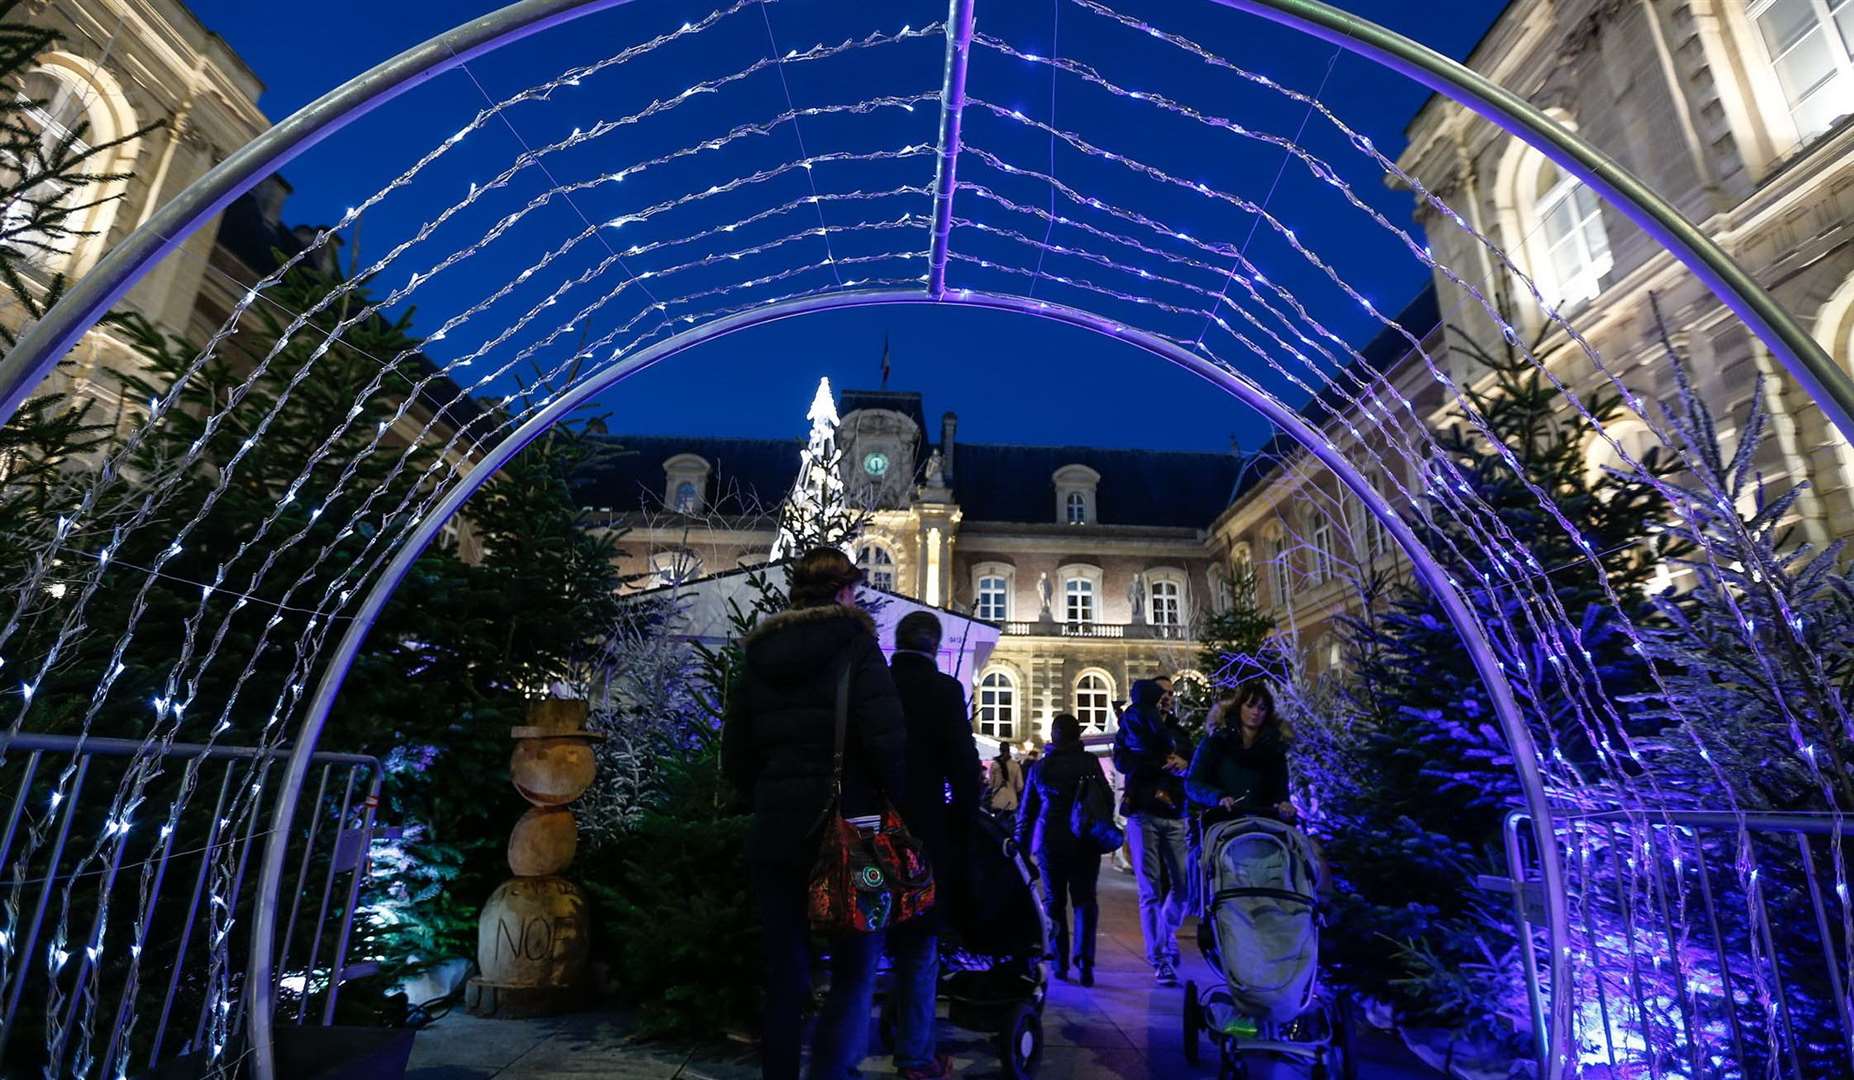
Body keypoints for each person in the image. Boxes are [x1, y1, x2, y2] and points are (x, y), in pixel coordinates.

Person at [721, 547, 908, 1080]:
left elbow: (736, 752)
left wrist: (764, 798)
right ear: (846, 591)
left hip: (776, 826)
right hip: (851, 825)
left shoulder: (760, 653)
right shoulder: (859, 646)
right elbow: (887, 741)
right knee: (856, 962)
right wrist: (892, 802)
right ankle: (831, 1071)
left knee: (783, 968)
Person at [886, 611, 981, 1080]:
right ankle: (916, 1057)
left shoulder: (875, 685)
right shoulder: (945, 691)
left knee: (864, 937)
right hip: (922, 834)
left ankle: (844, 1053)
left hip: (867, 832)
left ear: (896, 641)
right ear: (935, 647)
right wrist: (963, 822)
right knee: (920, 942)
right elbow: (964, 767)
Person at [1016, 713, 1109, 986]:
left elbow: (1027, 813)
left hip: (1052, 842)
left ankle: (1059, 961)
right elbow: (1105, 799)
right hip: (1084, 841)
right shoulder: (1090, 763)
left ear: (1054, 736)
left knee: (1054, 903)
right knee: (1085, 901)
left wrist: (1021, 850)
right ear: (1078, 735)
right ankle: (1086, 962)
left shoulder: (1042, 768)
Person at [1112, 678, 1194, 986]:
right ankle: (1159, 958)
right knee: (1150, 889)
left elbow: (1192, 763)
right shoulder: (1132, 725)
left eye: (1171, 694)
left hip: (1175, 814)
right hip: (1143, 813)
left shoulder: (1178, 731)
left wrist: (1182, 763)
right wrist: (1159, 761)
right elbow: (1122, 762)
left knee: (1184, 886)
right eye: (1162, 693)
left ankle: (1165, 929)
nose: (1167, 698)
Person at [1185, 681, 1296, 826]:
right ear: (1239, 707)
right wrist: (1218, 797)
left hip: (1262, 826)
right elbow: (1193, 783)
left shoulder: (1274, 750)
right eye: (1250, 706)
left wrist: (1284, 807)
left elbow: (1281, 793)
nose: (1255, 712)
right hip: (1221, 823)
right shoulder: (1216, 742)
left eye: (1261, 708)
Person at [986, 744, 1024, 820]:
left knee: (996, 824)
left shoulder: (994, 765)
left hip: (997, 800)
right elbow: (1020, 785)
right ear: (1009, 750)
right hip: (1011, 801)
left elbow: (991, 784)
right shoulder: (1015, 765)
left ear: (1000, 750)